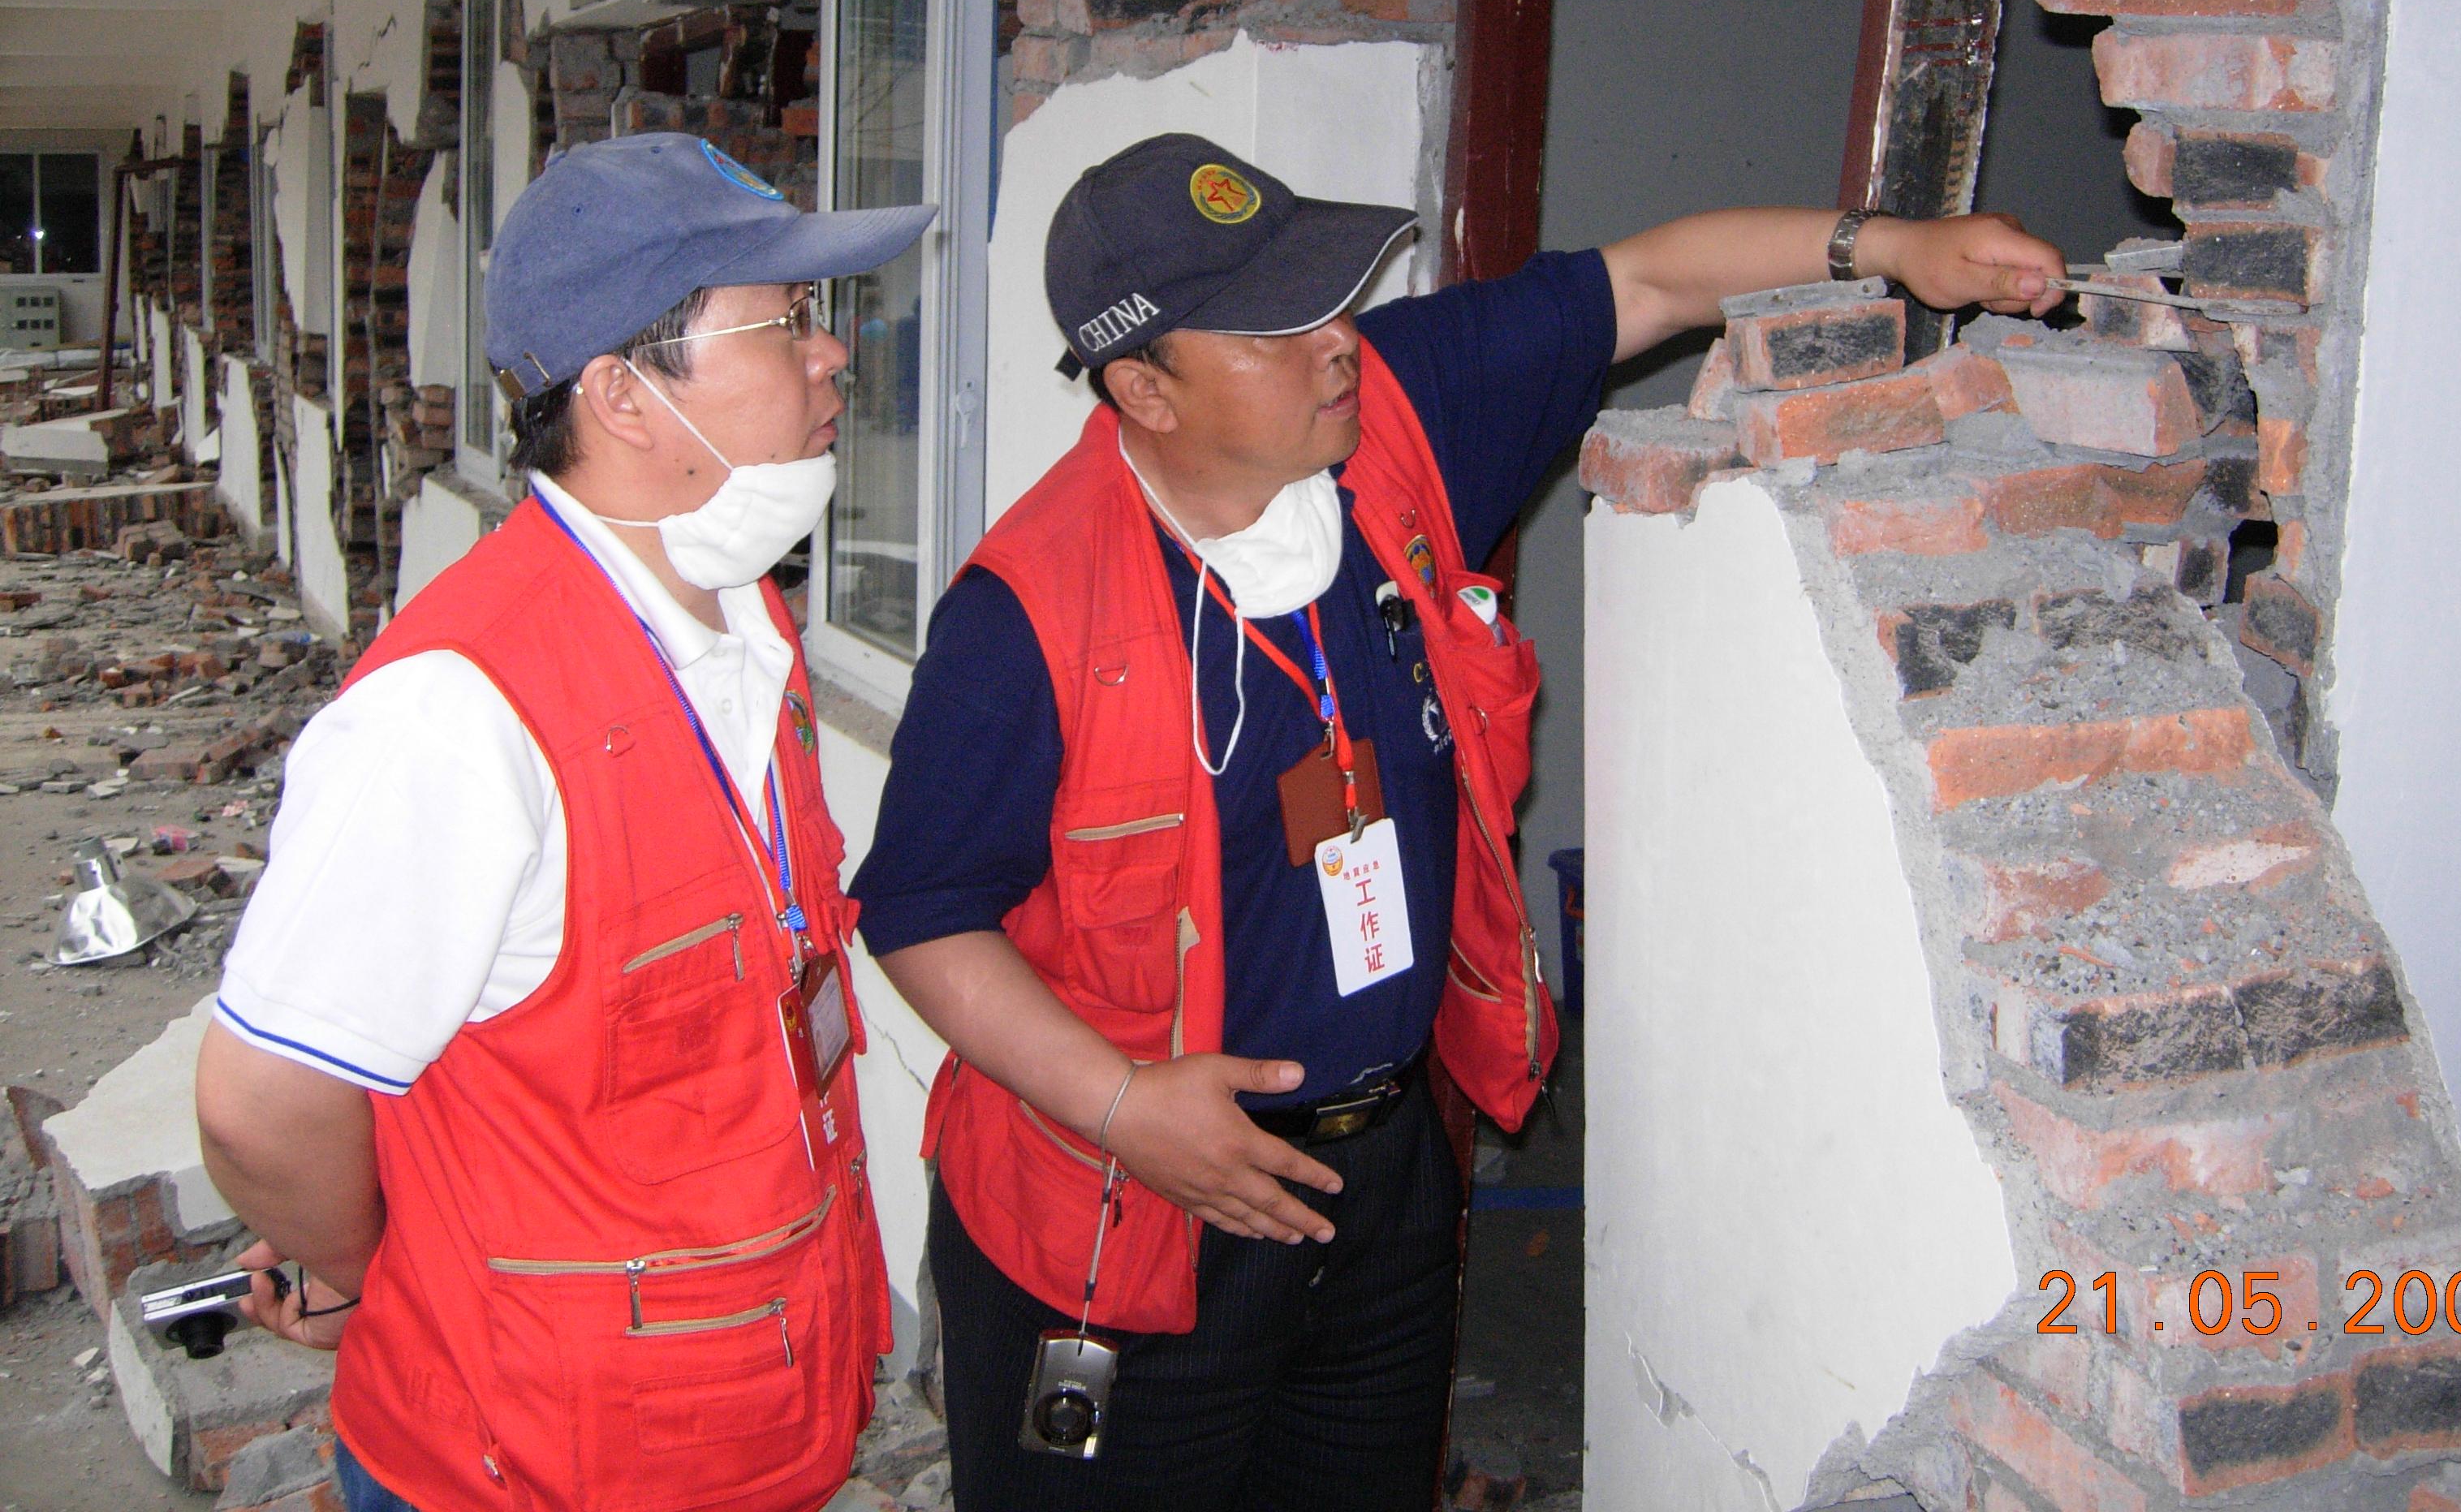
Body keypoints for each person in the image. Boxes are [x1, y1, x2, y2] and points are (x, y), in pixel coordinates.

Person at [856, 131, 2063, 1509]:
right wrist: (1124, 1107)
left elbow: (1648, 283)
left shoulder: (1394, 422)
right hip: (1126, 1214)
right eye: (1276, 326)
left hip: (1380, 1187)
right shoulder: (1026, 615)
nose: (1337, 342)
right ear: (1146, 387)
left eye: (1330, 299)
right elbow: (922, 911)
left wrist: (1892, 246)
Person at [194, 133, 933, 1512]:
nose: (833, 354)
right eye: (787, 321)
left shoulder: (739, 617)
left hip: (748, 1408)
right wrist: (373, 1270)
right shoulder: (458, 715)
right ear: (624, 396)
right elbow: (260, 1106)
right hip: (531, 1462)